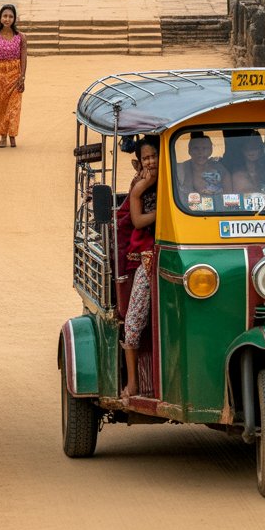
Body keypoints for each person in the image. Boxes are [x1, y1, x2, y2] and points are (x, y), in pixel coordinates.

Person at [123, 135, 160, 398]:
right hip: (148, 256)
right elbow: (137, 221)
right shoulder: (139, 185)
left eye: (154, 156)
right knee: (134, 320)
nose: (150, 161)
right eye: (145, 157)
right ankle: (134, 383)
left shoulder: (177, 178)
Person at [0, 3, 27, 147]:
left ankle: (12, 135)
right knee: (0, 106)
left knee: (14, 107)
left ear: (14, 19)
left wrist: (22, 77)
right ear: (0, 18)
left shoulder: (21, 37)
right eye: (5, 16)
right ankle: (3, 136)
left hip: (15, 75)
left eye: (10, 16)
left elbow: (23, 57)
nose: (7, 19)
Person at [176, 131, 231, 202]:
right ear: (189, 150)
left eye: (205, 148)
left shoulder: (220, 169)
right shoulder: (180, 169)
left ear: (211, 150)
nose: (200, 152)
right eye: (196, 148)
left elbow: (229, 195)